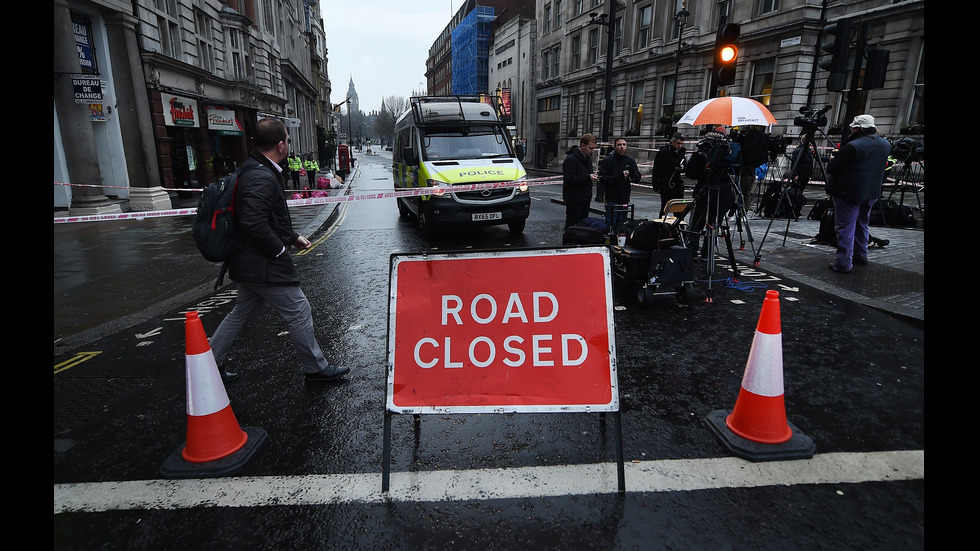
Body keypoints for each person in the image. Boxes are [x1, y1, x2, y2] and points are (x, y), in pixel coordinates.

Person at [208, 118, 349, 383]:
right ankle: (315, 369)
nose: (288, 144)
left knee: (241, 312)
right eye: (287, 139)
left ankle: (209, 364)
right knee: (299, 310)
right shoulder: (261, 175)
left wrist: (292, 236)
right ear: (281, 145)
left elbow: (266, 216)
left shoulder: (256, 168)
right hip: (261, 261)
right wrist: (277, 250)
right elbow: (253, 221)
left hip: (248, 259)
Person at [826, 114, 892, 273]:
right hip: (871, 191)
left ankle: (843, 262)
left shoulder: (853, 146)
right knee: (863, 222)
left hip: (849, 191)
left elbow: (834, 168)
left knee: (845, 227)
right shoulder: (884, 144)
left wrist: (832, 160)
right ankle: (861, 253)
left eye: (852, 128)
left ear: (857, 128)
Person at [597, 137, 641, 231]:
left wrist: (631, 173)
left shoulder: (630, 160)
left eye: (624, 145)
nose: (622, 147)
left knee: (623, 224)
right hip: (612, 197)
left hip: (624, 197)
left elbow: (637, 178)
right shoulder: (608, 160)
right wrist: (619, 176)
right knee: (611, 223)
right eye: (619, 145)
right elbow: (602, 178)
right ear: (615, 147)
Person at [562, 133, 599, 229]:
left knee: (583, 226)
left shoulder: (587, 158)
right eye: (590, 148)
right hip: (574, 199)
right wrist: (588, 177)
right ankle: (569, 243)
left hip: (585, 198)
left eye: (593, 148)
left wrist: (591, 178)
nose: (592, 151)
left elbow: (586, 175)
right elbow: (569, 179)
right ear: (582, 145)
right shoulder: (571, 159)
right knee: (573, 225)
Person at [652, 133, 687, 217]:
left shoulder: (681, 152)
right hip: (666, 184)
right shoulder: (664, 152)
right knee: (665, 208)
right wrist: (656, 186)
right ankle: (661, 227)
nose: (680, 146)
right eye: (678, 143)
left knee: (678, 210)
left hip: (677, 184)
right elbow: (656, 170)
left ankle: (678, 227)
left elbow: (684, 165)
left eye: (681, 144)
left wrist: (682, 168)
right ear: (673, 142)